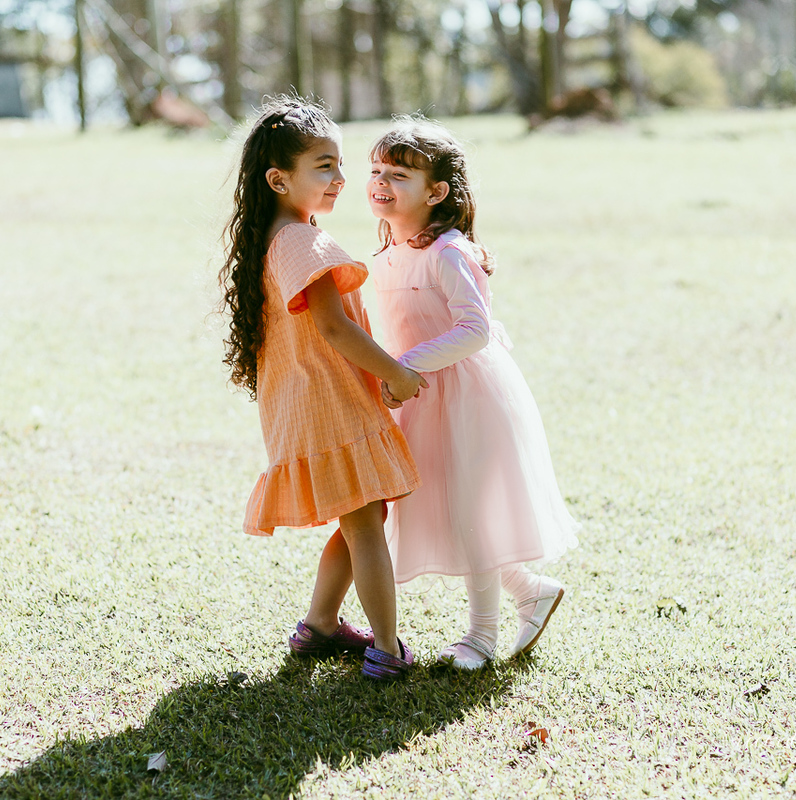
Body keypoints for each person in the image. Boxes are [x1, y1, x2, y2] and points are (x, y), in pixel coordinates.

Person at [218, 98, 428, 680]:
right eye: (324, 166)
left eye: (339, 164)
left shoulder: (280, 236)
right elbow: (334, 328)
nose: (340, 179)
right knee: (365, 523)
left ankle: (321, 624)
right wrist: (395, 371)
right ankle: (386, 647)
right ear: (279, 178)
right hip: (328, 402)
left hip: (305, 402)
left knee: (362, 514)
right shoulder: (302, 243)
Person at [366, 117, 581, 670]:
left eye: (399, 174)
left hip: (467, 394)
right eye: (376, 171)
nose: (381, 181)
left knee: (471, 509)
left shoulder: (449, 252)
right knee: (447, 506)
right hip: (420, 396)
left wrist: (404, 366)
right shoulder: (386, 252)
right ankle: (530, 590)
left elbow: (474, 329)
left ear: (436, 192)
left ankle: (481, 637)